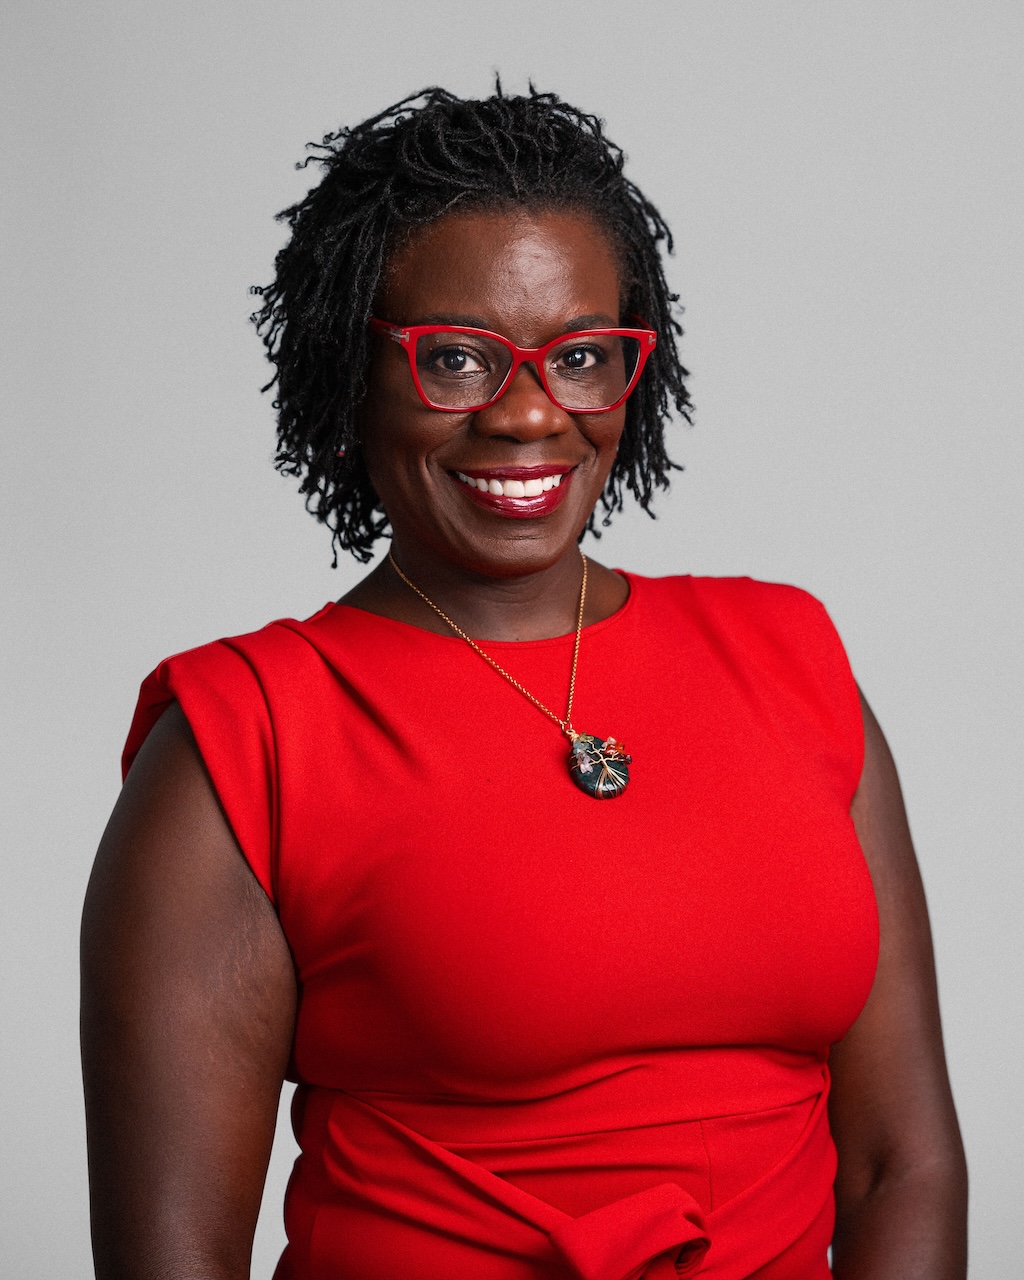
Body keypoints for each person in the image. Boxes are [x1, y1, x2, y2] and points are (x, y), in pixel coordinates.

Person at [81, 87, 967, 1280]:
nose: (530, 410)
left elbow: (900, 1161)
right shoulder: (246, 738)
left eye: (581, 356)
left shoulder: (790, 659)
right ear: (352, 375)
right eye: (455, 357)